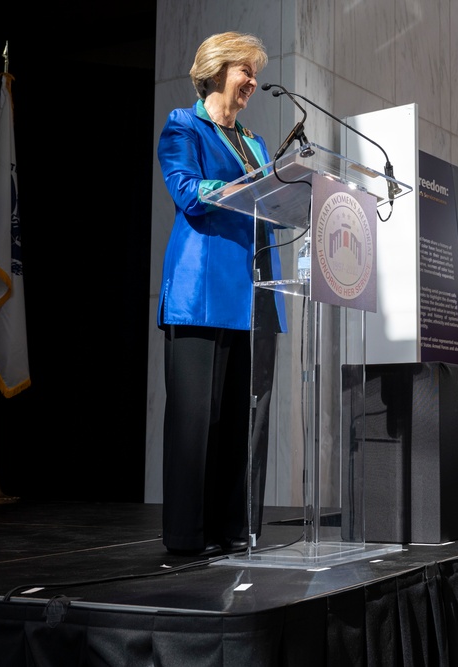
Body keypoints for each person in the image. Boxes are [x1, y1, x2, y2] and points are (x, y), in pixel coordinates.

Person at [157, 32, 286, 557]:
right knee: (196, 420)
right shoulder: (183, 125)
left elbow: (269, 201)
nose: (252, 81)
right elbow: (186, 191)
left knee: (241, 421)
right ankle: (189, 537)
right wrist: (243, 189)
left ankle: (235, 530)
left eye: (255, 73)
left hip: (254, 292)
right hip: (201, 289)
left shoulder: (253, 142)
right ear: (215, 71)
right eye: (244, 71)